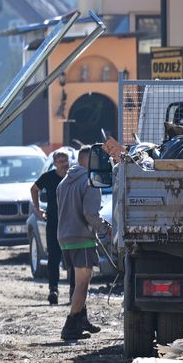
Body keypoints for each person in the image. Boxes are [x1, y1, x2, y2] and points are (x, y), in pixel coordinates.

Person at [56, 145, 112, 341]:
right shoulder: (90, 182)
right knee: (82, 284)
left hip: (65, 238)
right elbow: (90, 213)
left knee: (78, 282)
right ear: (89, 161)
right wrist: (105, 228)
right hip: (82, 239)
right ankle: (70, 326)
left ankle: (81, 320)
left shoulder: (64, 182)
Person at [30, 148, 75, 305]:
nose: (64, 164)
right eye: (60, 161)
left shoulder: (72, 177)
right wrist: (38, 209)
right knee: (53, 257)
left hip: (71, 223)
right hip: (53, 222)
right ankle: (53, 290)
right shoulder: (48, 177)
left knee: (72, 257)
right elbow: (34, 189)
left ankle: (73, 292)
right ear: (55, 163)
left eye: (66, 161)